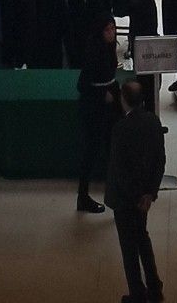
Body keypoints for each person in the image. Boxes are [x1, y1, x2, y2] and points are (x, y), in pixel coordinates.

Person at [105, 78, 166, 303]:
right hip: (144, 197)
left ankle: (137, 293)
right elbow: (160, 160)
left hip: (125, 198)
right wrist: (149, 193)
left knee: (129, 248)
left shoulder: (121, 128)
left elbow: (120, 168)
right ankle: (154, 287)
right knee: (142, 238)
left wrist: (132, 196)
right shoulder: (153, 121)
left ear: (123, 100)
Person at [75, 13, 120, 213]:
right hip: (94, 108)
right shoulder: (93, 51)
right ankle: (83, 196)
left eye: (113, 28)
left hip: (109, 106)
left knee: (112, 149)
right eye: (108, 29)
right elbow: (83, 84)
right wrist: (103, 94)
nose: (112, 33)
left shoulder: (109, 48)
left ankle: (114, 194)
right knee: (90, 152)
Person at [129, 0, 160, 114]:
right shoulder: (139, 1)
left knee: (152, 84)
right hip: (144, 47)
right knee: (147, 86)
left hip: (149, 44)